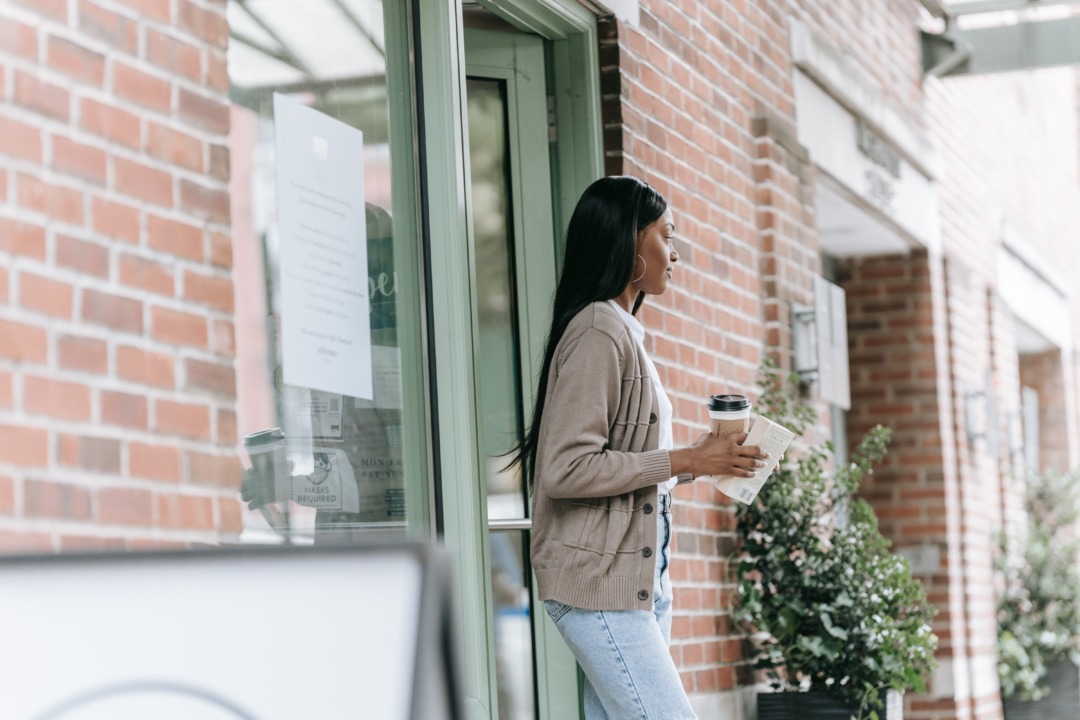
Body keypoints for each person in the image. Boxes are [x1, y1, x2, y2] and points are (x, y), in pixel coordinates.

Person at [510, 175, 769, 719]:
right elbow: (566, 468)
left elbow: (627, 463)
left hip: (639, 582)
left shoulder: (622, 330)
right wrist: (686, 459)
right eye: (666, 236)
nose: (675, 255)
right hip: (600, 584)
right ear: (631, 243)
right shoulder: (599, 329)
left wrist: (702, 459)